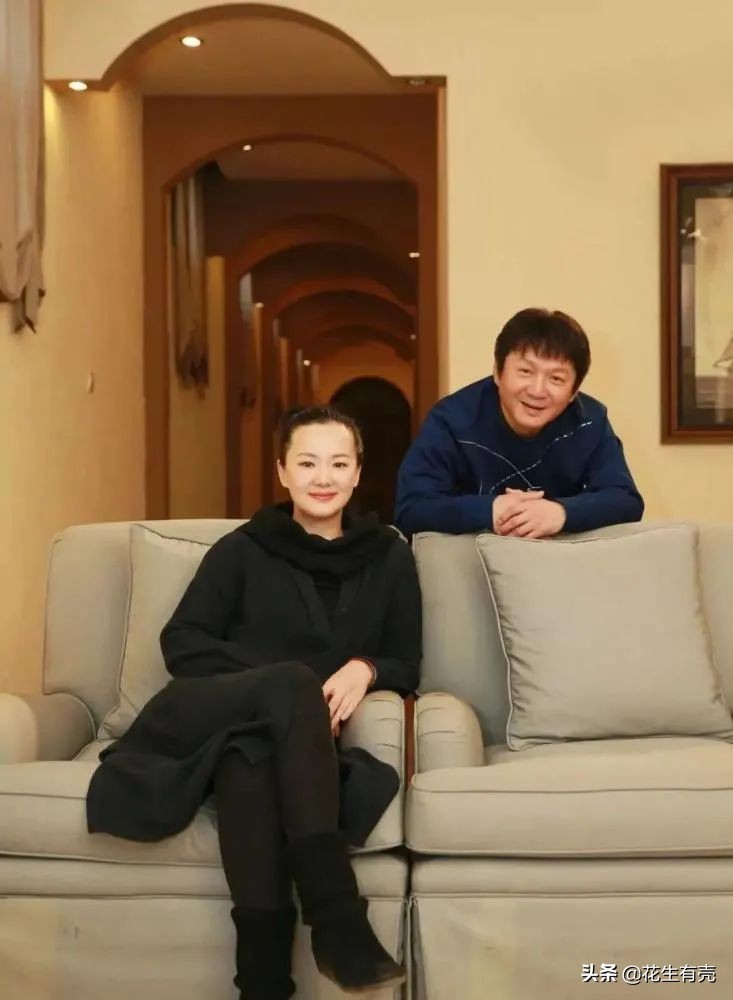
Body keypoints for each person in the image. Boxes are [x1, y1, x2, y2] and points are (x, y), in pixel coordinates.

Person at [86, 405, 421, 1000]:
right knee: (289, 685)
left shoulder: (389, 555)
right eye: (307, 463)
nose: (323, 477)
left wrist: (365, 667)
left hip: (288, 748)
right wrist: (280, 684)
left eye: (338, 463)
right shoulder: (243, 548)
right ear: (282, 472)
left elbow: (407, 659)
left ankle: (262, 986)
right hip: (208, 714)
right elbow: (182, 643)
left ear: (358, 472)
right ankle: (336, 914)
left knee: (250, 762)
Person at [395, 308, 644, 538]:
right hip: (472, 559)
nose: (537, 390)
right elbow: (411, 508)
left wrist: (560, 512)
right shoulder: (452, 419)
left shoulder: (590, 422)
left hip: (558, 560)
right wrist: (493, 510)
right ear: (497, 372)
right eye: (525, 371)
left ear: (573, 392)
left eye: (556, 379)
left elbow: (626, 500)